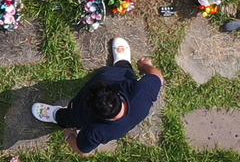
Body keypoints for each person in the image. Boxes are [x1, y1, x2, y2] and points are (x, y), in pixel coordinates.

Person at [32, 39, 164, 153]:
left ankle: (57, 115)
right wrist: (146, 66)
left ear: (95, 111)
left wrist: (70, 137)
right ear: (116, 94)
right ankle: (122, 62)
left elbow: (82, 150)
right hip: (122, 77)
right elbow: (158, 77)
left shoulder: (98, 131)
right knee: (125, 71)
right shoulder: (142, 92)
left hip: (82, 112)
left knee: (73, 117)